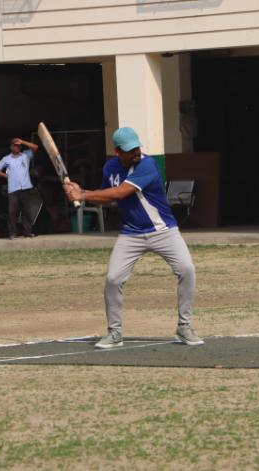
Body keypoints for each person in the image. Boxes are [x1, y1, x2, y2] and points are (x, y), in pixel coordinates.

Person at [63, 127, 203, 349]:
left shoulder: (147, 165)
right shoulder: (110, 167)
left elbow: (121, 192)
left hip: (163, 230)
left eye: (136, 147)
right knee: (113, 279)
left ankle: (184, 327)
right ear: (118, 151)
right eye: (129, 150)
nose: (136, 152)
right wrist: (82, 192)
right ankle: (114, 332)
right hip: (131, 234)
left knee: (187, 269)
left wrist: (83, 194)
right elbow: (108, 198)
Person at [0, 138, 39, 239]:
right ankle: (12, 233)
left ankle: (27, 232)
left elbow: (35, 147)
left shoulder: (25, 155)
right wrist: (6, 176)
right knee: (12, 212)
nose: (17, 147)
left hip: (26, 187)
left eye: (18, 146)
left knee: (26, 211)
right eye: (15, 145)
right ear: (11, 147)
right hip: (13, 189)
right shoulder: (6, 159)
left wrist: (22, 141)